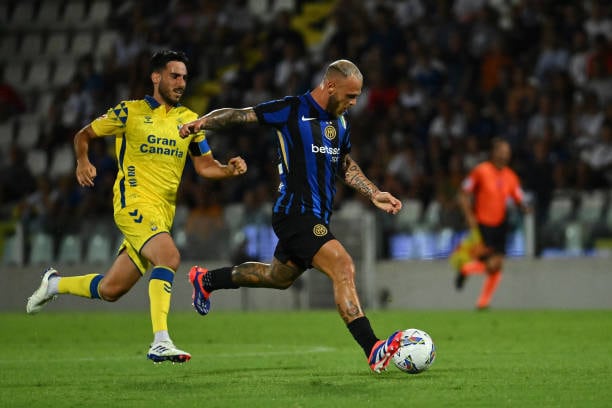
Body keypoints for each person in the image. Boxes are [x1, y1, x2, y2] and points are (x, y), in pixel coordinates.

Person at [179, 59, 405, 373]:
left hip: (316, 217)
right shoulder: (291, 110)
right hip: (295, 214)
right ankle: (373, 348)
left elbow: (344, 164)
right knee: (343, 265)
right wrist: (202, 122)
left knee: (278, 278)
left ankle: (206, 280)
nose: (354, 103)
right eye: (351, 96)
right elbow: (240, 115)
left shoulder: (339, 123)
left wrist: (373, 192)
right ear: (330, 86)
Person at [25, 50, 247, 363]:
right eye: (174, 75)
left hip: (162, 214)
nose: (181, 82)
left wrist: (227, 169)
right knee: (169, 256)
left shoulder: (189, 120)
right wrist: (82, 160)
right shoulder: (129, 112)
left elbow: (204, 166)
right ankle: (160, 340)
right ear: (156, 77)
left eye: (184, 76)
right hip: (132, 204)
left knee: (111, 289)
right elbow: (84, 134)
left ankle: (54, 284)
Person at [453, 138, 529, 309]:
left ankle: (469, 275)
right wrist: (469, 216)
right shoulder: (481, 171)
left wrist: (525, 207)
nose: (505, 155)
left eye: (507, 152)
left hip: (501, 225)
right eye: (502, 151)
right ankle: (481, 298)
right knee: (492, 264)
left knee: (497, 265)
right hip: (483, 224)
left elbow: (519, 197)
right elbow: (464, 192)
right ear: (494, 153)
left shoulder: (510, 176)